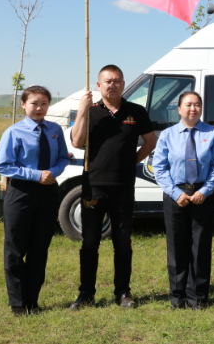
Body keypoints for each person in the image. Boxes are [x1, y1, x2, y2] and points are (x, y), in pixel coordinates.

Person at [70, 65, 156, 310]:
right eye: (107, 81)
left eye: (117, 80)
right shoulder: (91, 111)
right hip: (93, 187)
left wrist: (132, 161)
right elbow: (77, 142)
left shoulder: (136, 111)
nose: (113, 85)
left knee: (122, 242)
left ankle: (123, 292)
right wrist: (82, 110)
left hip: (123, 186)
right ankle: (86, 293)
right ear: (99, 85)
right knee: (89, 243)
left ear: (123, 83)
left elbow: (150, 142)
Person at [0, 85, 70, 316]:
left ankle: (32, 301)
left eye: (44, 103)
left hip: (48, 193)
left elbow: (62, 158)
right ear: (24, 105)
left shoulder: (55, 129)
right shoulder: (13, 132)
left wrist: (52, 173)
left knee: (40, 248)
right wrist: (37, 175)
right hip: (21, 193)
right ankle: (18, 303)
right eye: (34, 103)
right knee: (15, 248)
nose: (39, 108)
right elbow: (3, 165)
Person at [152, 91, 214, 310]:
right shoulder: (167, 135)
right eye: (188, 105)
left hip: (203, 195)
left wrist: (206, 190)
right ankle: (177, 296)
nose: (193, 109)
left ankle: (198, 297)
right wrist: (176, 194)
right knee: (176, 247)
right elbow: (159, 167)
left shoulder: (212, 133)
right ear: (179, 108)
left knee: (201, 246)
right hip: (176, 195)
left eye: (197, 105)